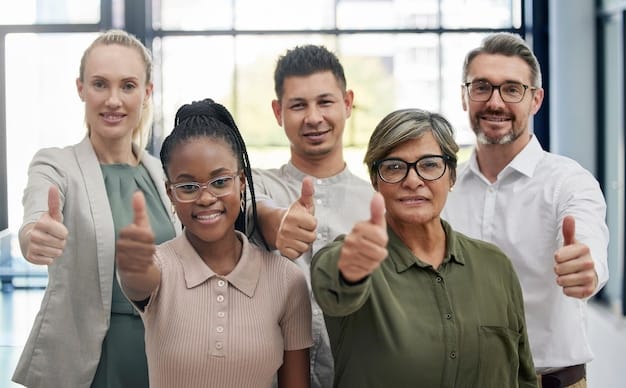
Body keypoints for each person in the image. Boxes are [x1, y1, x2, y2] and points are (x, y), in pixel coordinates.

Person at [311, 108, 537, 387]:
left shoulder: (495, 265)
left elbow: (522, 377)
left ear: (452, 176)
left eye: (429, 165)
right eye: (394, 167)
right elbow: (332, 280)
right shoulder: (353, 258)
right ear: (375, 181)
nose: (413, 180)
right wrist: (349, 271)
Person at [12, 29, 180, 388]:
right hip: (86, 359)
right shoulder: (55, 164)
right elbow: (37, 217)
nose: (113, 100)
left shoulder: (162, 172)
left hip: (163, 355)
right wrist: (35, 236)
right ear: (81, 89)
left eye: (128, 86)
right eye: (100, 84)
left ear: (147, 92)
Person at [442, 32, 609, 388]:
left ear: (536, 100)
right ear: (464, 95)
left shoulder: (568, 182)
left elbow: (588, 241)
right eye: (482, 87)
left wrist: (586, 267)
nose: (495, 102)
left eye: (512, 89)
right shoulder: (443, 186)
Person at [115, 98, 313, 388]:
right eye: (188, 187)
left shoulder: (287, 280)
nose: (206, 198)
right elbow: (137, 280)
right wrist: (131, 264)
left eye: (220, 182)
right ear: (170, 193)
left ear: (242, 182)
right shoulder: (159, 266)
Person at [249, 44, 375, 388]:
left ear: (347, 103)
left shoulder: (375, 203)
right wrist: (271, 219)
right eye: (298, 105)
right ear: (278, 112)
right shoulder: (258, 184)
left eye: (325, 102)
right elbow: (245, 204)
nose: (314, 117)